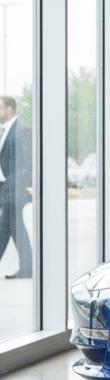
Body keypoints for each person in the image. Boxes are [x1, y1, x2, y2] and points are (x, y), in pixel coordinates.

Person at [0, 95, 33, 280]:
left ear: (10, 109)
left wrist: (21, 185)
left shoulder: (22, 130)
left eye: (0, 108)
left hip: (15, 190)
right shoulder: (3, 130)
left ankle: (28, 268)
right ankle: (28, 268)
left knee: (4, 228)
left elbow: (27, 163)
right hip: (5, 189)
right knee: (14, 229)